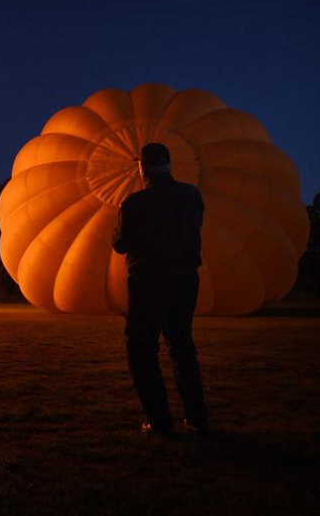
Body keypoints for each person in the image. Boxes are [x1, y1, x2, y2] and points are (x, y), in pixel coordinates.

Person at [112, 142, 208, 437]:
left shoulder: (134, 203)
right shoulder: (192, 195)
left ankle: (159, 420)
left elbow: (120, 244)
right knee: (181, 346)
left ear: (141, 168)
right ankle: (196, 418)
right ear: (170, 165)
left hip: (148, 281)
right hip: (185, 279)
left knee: (142, 350)